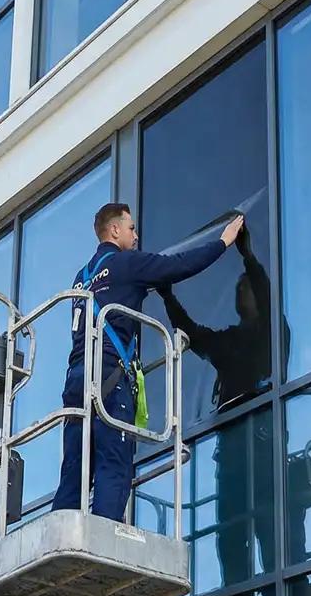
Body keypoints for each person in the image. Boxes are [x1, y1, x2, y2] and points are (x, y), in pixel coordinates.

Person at [52, 202, 244, 520]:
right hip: (109, 380)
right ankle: (102, 546)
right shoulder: (126, 265)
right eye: (131, 228)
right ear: (114, 230)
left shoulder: (81, 279)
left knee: (75, 469)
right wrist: (223, 242)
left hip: (77, 379)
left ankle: (59, 540)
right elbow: (181, 264)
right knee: (113, 464)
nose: (136, 235)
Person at [155, 218, 302, 573]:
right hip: (233, 452)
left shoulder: (272, 333)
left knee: (270, 523)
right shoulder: (229, 342)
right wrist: (166, 295)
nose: (239, 293)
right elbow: (193, 334)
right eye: (238, 289)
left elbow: (267, 297)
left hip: (264, 444)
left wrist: (247, 255)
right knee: (231, 530)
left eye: (244, 288)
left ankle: (280, 586)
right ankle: (235, 595)